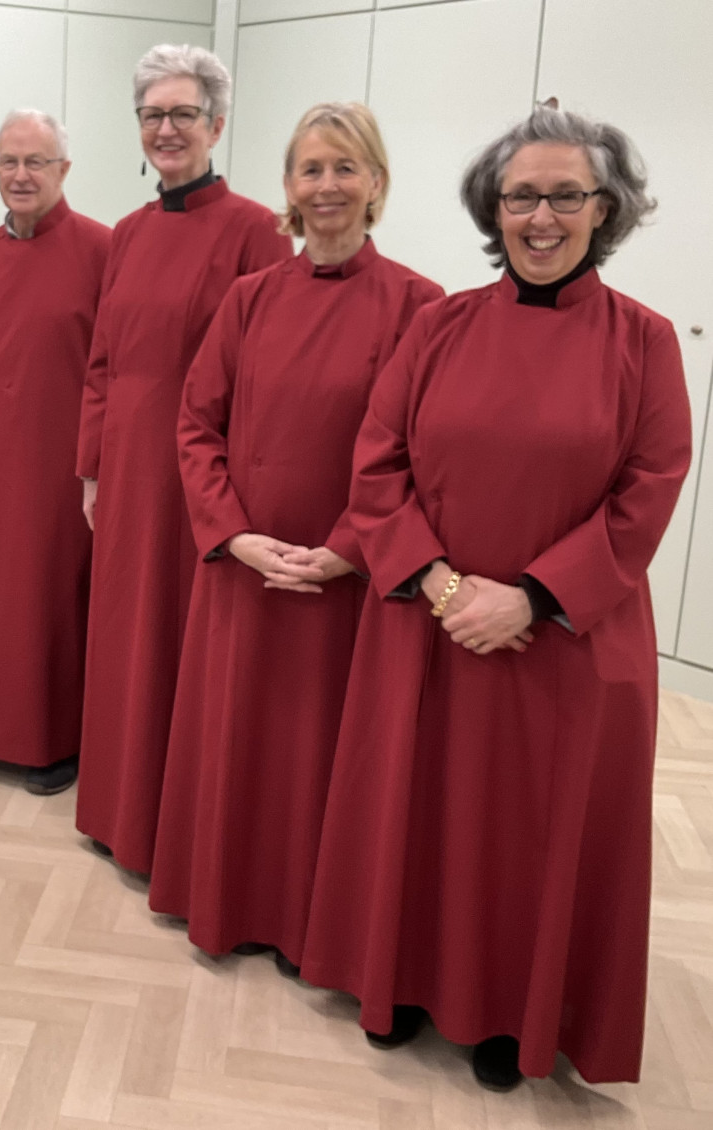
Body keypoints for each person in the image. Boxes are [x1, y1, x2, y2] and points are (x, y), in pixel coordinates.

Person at [300, 104, 691, 1090]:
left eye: (568, 195)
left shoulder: (644, 343)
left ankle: (511, 1015)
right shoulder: (438, 327)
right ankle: (402, 982)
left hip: (561, 641)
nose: (543, 217)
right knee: (423, 810)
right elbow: (376, 465)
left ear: (605, 209)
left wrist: (532, 596)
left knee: (526, 831)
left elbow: (648, 490)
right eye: (524, 196)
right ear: (495, 207)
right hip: (430, 627)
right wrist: (438, 582)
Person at [146, 104, 442, 976]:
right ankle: (229, 900)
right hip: (246, 568)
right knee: (240, 739)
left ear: (377, 183)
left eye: (346, 168)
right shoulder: (249, 300)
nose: (327, 187)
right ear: (287, 187)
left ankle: (314, 923)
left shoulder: (420, 307)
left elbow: (417, 451)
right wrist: (231, 535)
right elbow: (196, 426)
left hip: (343, 577)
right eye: (310, 170)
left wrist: (350, 546)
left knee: (320, 751)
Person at [75, 45, 290, 872]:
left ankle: (172, 825)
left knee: (179, 641)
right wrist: (91, 467)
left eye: (183, 115)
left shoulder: (257, 233)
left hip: (203, 476)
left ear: (217, 126)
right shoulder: (126, 234)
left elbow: (267, 372)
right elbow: (102, 361)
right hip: (127, 471)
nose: (167, 130)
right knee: (124, 636)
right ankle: (115, 808)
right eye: (152, 116)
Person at [0, 110, 110, 794]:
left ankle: (54, 743)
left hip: (59, 464)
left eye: (36, 162)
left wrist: (96, 462)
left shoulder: (101, 248)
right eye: (8, 162)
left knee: (50, 602)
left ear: (64, 170)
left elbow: (108, 367)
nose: (20, 175)